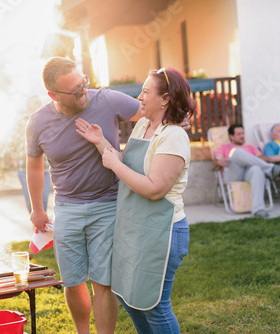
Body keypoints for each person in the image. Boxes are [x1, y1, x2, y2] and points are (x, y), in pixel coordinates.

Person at [25, 56, 142, 334]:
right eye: (74, 90)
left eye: (83, 84)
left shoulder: (107, 100)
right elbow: (34, 165)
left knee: (103, 282)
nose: (82, 93)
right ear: (53, 94)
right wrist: (37, 208)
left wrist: (137, 153)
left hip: (108, 205)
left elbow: (149, 114)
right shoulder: (38, 122)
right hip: (66, 208)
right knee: (72, 280)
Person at [76, 67, 195, 333]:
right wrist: (100, 142)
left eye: (145, 91)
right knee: (130, 299)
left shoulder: (173, 136)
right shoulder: (143, 125)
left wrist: (115, 165)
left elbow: (155, 189)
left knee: (154, 305)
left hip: (162, 231)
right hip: (135, 227)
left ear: (164, 99)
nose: (139, 97)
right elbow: (124, 163)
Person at [213, 124, 280, 218]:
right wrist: (219, 161)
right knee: (237, 152)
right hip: (233, 174)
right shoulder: (224, 147)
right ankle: (270, 170)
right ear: (231, 136)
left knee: (256, 169)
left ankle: (257, 210)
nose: (242, 136)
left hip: (248, 174)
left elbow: (262, 158)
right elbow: (215, 163)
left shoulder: (251, 148)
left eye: (243, 133)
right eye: (239, 134)